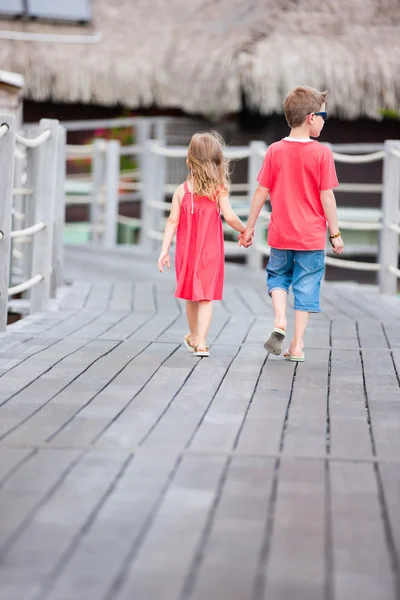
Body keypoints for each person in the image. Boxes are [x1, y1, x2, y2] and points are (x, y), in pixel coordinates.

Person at [239, 86, 344, 362]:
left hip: (280, 234)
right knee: (307, 285)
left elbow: (261, 191)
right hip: (310, 237)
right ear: (311, 117)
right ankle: (297, 346)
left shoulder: (274, 151)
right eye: (323, 116)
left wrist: (249, 227)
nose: (324, 120)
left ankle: (280, 319)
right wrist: (335, 233)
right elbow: (327, 197)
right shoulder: (322, 154)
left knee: (277, 277)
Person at [158, 131, 248, 357]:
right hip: (211, 252)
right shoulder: (219, 190)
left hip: (186, 252)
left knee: (190, 295)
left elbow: (172, 221)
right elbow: (229, 216)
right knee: (206, 297)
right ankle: (201, 342)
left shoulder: (181, 191)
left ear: (190, 160)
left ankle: (194, 335)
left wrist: (164, 250)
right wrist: (245, 230)